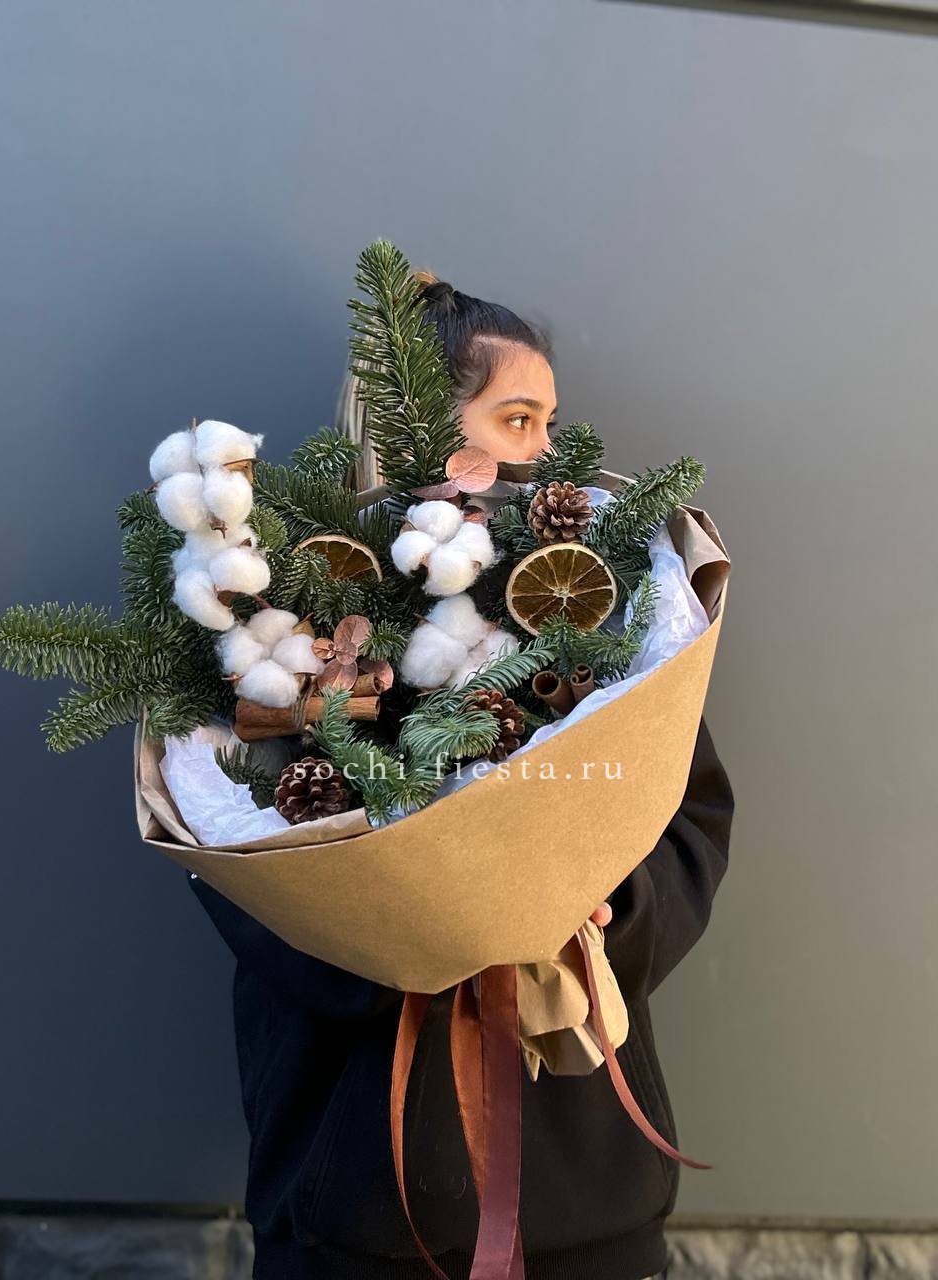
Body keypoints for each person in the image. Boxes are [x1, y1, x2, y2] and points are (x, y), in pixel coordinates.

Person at [188, 270, 735, 1279]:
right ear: (413, 429)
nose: (546, 453)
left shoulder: (608, 611)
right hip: (356, 1198)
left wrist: (598, 907)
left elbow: (689, 817)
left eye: (549, 421)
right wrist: (412, 927)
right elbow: (235, 860)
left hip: (585, 1197)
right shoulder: (286, 625)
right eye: (517, 419)